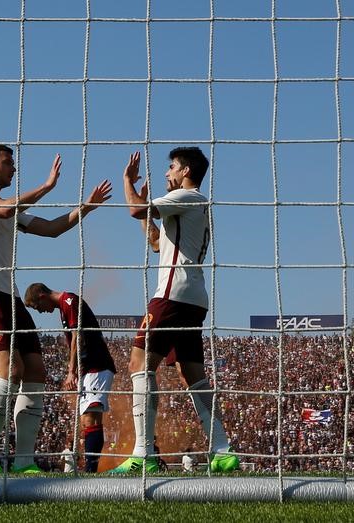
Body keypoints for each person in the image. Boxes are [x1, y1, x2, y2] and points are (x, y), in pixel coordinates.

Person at [0, 144, 112, 474]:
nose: (13, 169)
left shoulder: (11, 209)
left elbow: (52, 229)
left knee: (36, 373)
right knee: (10, 372)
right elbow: (3, 210)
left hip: (9, 296)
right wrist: (45, 187)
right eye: (8, 164)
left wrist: (87, 207)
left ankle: (24, 460)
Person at [109, 147, 239, 474]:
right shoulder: (189, 205)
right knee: (191, 373)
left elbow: (136, 211)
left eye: (171, 167)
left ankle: (143, 454)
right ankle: (222, 449)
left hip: (172, 293)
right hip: (193, 297)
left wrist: (127, 183)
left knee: (139, 362)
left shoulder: (188, 196)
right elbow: (156, 243)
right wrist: (144, 207)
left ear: (185, 171)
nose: (167, 173)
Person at [24, 283, 116, 472]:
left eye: (36, 307)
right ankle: (91, 469)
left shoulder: (69, 301)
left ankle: (91, 470)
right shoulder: (64, 307)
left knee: (91, 418)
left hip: (95, 366)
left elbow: (77, 336)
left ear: (41, 295)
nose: (40, 312)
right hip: (88, 369)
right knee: (87, 421)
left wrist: (71, 370)